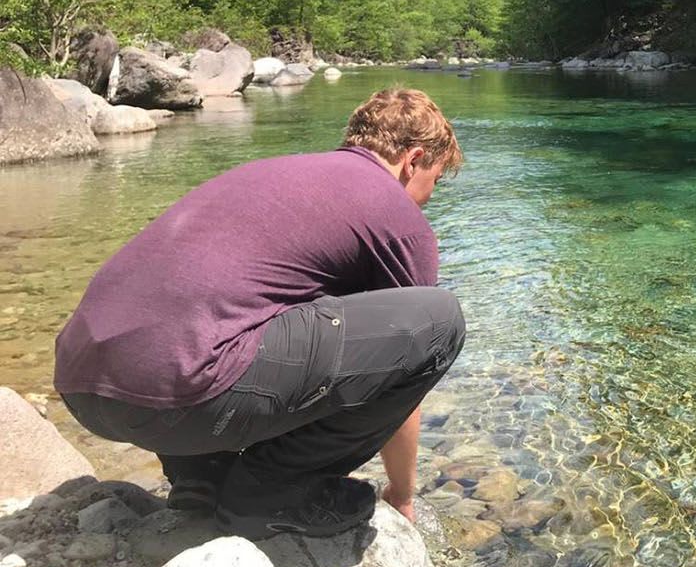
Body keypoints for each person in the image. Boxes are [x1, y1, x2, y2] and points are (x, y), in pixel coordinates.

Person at [52, 88, 466, 540]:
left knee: (250, 311)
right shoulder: (396, 214)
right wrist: (402, 494)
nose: (430, 197)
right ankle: (271, 495)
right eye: (437, 180)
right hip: (182, 398)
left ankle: (204, 478)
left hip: (84, 390)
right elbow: (405, 363)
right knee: (439, 320)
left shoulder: (272, 173)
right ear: (414, 159)